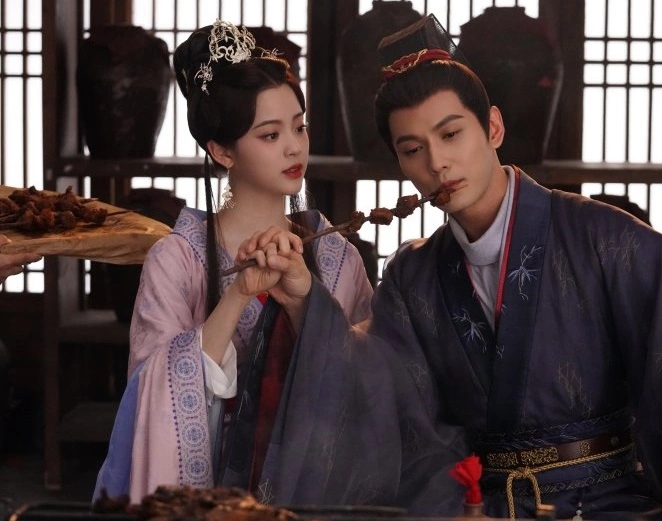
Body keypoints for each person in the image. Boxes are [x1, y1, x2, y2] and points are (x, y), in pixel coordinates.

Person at [359, 14, 662, 520]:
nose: (437, 163)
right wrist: (305, 302)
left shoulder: (604, 238)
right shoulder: (412, 277)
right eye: (413, 149)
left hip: (602, 504)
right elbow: (396, 415)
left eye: (451, 134)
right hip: (477, 510)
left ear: (492, 127)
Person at [94, 20, 464, 513]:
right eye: (270, 134)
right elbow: (150, 398)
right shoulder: (177, 259)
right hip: (209, 500)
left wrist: (307, 304)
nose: (294, 147)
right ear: (222, 151)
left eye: (299, 126)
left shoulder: (334, 256)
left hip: (311, 490)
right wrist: (239, 293)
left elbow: (372, 382)